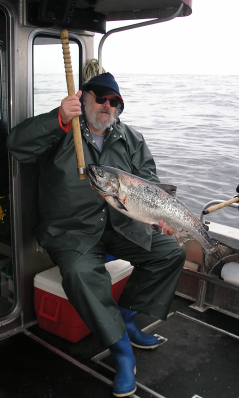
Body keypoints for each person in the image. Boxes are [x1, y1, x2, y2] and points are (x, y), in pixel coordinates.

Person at [7, 72, 186, 397]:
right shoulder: (61, 131)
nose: (107, 105)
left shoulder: (131, 138)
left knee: (170, 252)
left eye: (114, 101)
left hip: (122, 226)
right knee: (79, 274)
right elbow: (16, 145)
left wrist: (159, 216)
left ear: (119, 107)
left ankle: (128, 320)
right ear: (83, 98)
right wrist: (59, 117)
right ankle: (121, 352)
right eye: (100, 97)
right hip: (72, 231)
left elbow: (148, 180)